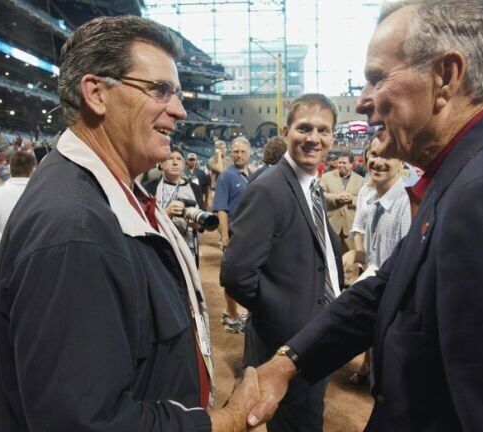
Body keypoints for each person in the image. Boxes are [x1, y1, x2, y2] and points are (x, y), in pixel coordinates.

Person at [246, 1, 483, 431]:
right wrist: (289, 362)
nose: (363, 101)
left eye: (376, 78)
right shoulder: (470, 173)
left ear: (445, 77)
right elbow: (389, 286)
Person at [0, 15, 258, 432]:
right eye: (160, 90)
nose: (180, 110)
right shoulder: (74, 229)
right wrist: (229, 420)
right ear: (96, 93)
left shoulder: (107, 192)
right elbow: (86, 423)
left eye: (177, 92)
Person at [221, 94, 344, 432]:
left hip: (314, 340)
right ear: (287, 131)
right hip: (289, 343)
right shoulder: (269, 188)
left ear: (333, 136)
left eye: (323, 130)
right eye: (304, 128)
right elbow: (236, 275)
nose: (313, 138)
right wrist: (293, 319)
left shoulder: (310, 186)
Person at [343, 138, 411, 385]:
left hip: (396, 295)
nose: (378, 161)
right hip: (377, 286)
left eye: (388, 155)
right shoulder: (369, 195)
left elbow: (406, 261)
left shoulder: (406, 202)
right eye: (374, 154)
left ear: (402, 161)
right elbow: (367, 243)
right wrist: (357, 256)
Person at [213, 136, 252, 333]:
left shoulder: (253, 174)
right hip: (234, 235)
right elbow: (221, 208)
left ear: (249, 153)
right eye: (235, 151)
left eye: (242, 151)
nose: (238, 155)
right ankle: (233, 315)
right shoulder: (226, 176)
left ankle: (247, 314)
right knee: (231, 277)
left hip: (252, 236)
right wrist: (224, 235)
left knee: (251, 275)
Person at [143, 148, 205, 265]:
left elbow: (201, 222)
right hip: (159, 247)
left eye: (179, 159)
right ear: (161, 164)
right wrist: (166, 213)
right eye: (170, 158)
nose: (175, 162)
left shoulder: (195, 189)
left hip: (187, 247)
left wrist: (197, 224)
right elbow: (142, 219)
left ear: (183, 165)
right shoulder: (149, 187)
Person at [319, 151, 364, 252]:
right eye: (339, 162)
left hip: (351, 225)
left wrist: (352, 199)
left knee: (351, 259)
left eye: (344, 163)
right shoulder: (326, 177)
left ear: (351, 164)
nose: (341, 165)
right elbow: (320, 195)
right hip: (332, 223)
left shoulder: (360, 180)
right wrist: (336, 198)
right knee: (331, 256)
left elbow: (364, 200)